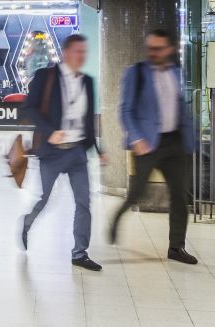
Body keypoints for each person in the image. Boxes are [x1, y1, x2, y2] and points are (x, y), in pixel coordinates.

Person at [109, 28, 198, 264]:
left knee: (179, 196)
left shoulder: (176, 72)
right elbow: (125, 110)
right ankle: (116, 218)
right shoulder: (136, 73)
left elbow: (180, 108)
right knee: (138, 193)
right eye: (150, 48)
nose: (153, 53)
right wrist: (137, 138)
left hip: (175, 143)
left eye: (158, 49)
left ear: (169, 49)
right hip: (147, 143)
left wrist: (190, 139)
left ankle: (176, 247)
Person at [19, 33, 106, 270]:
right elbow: (29, 108)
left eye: (84, 52)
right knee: (45, 199)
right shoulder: (46, 76)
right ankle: (27, 223)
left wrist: (99, 150)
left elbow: (88, 122)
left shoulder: (87, 81)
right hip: (52, 152)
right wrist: (50, 132)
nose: (82, 56)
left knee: (84, 203)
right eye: (78, 51)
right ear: (66, 53)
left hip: (77, 153)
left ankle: (80, 253)